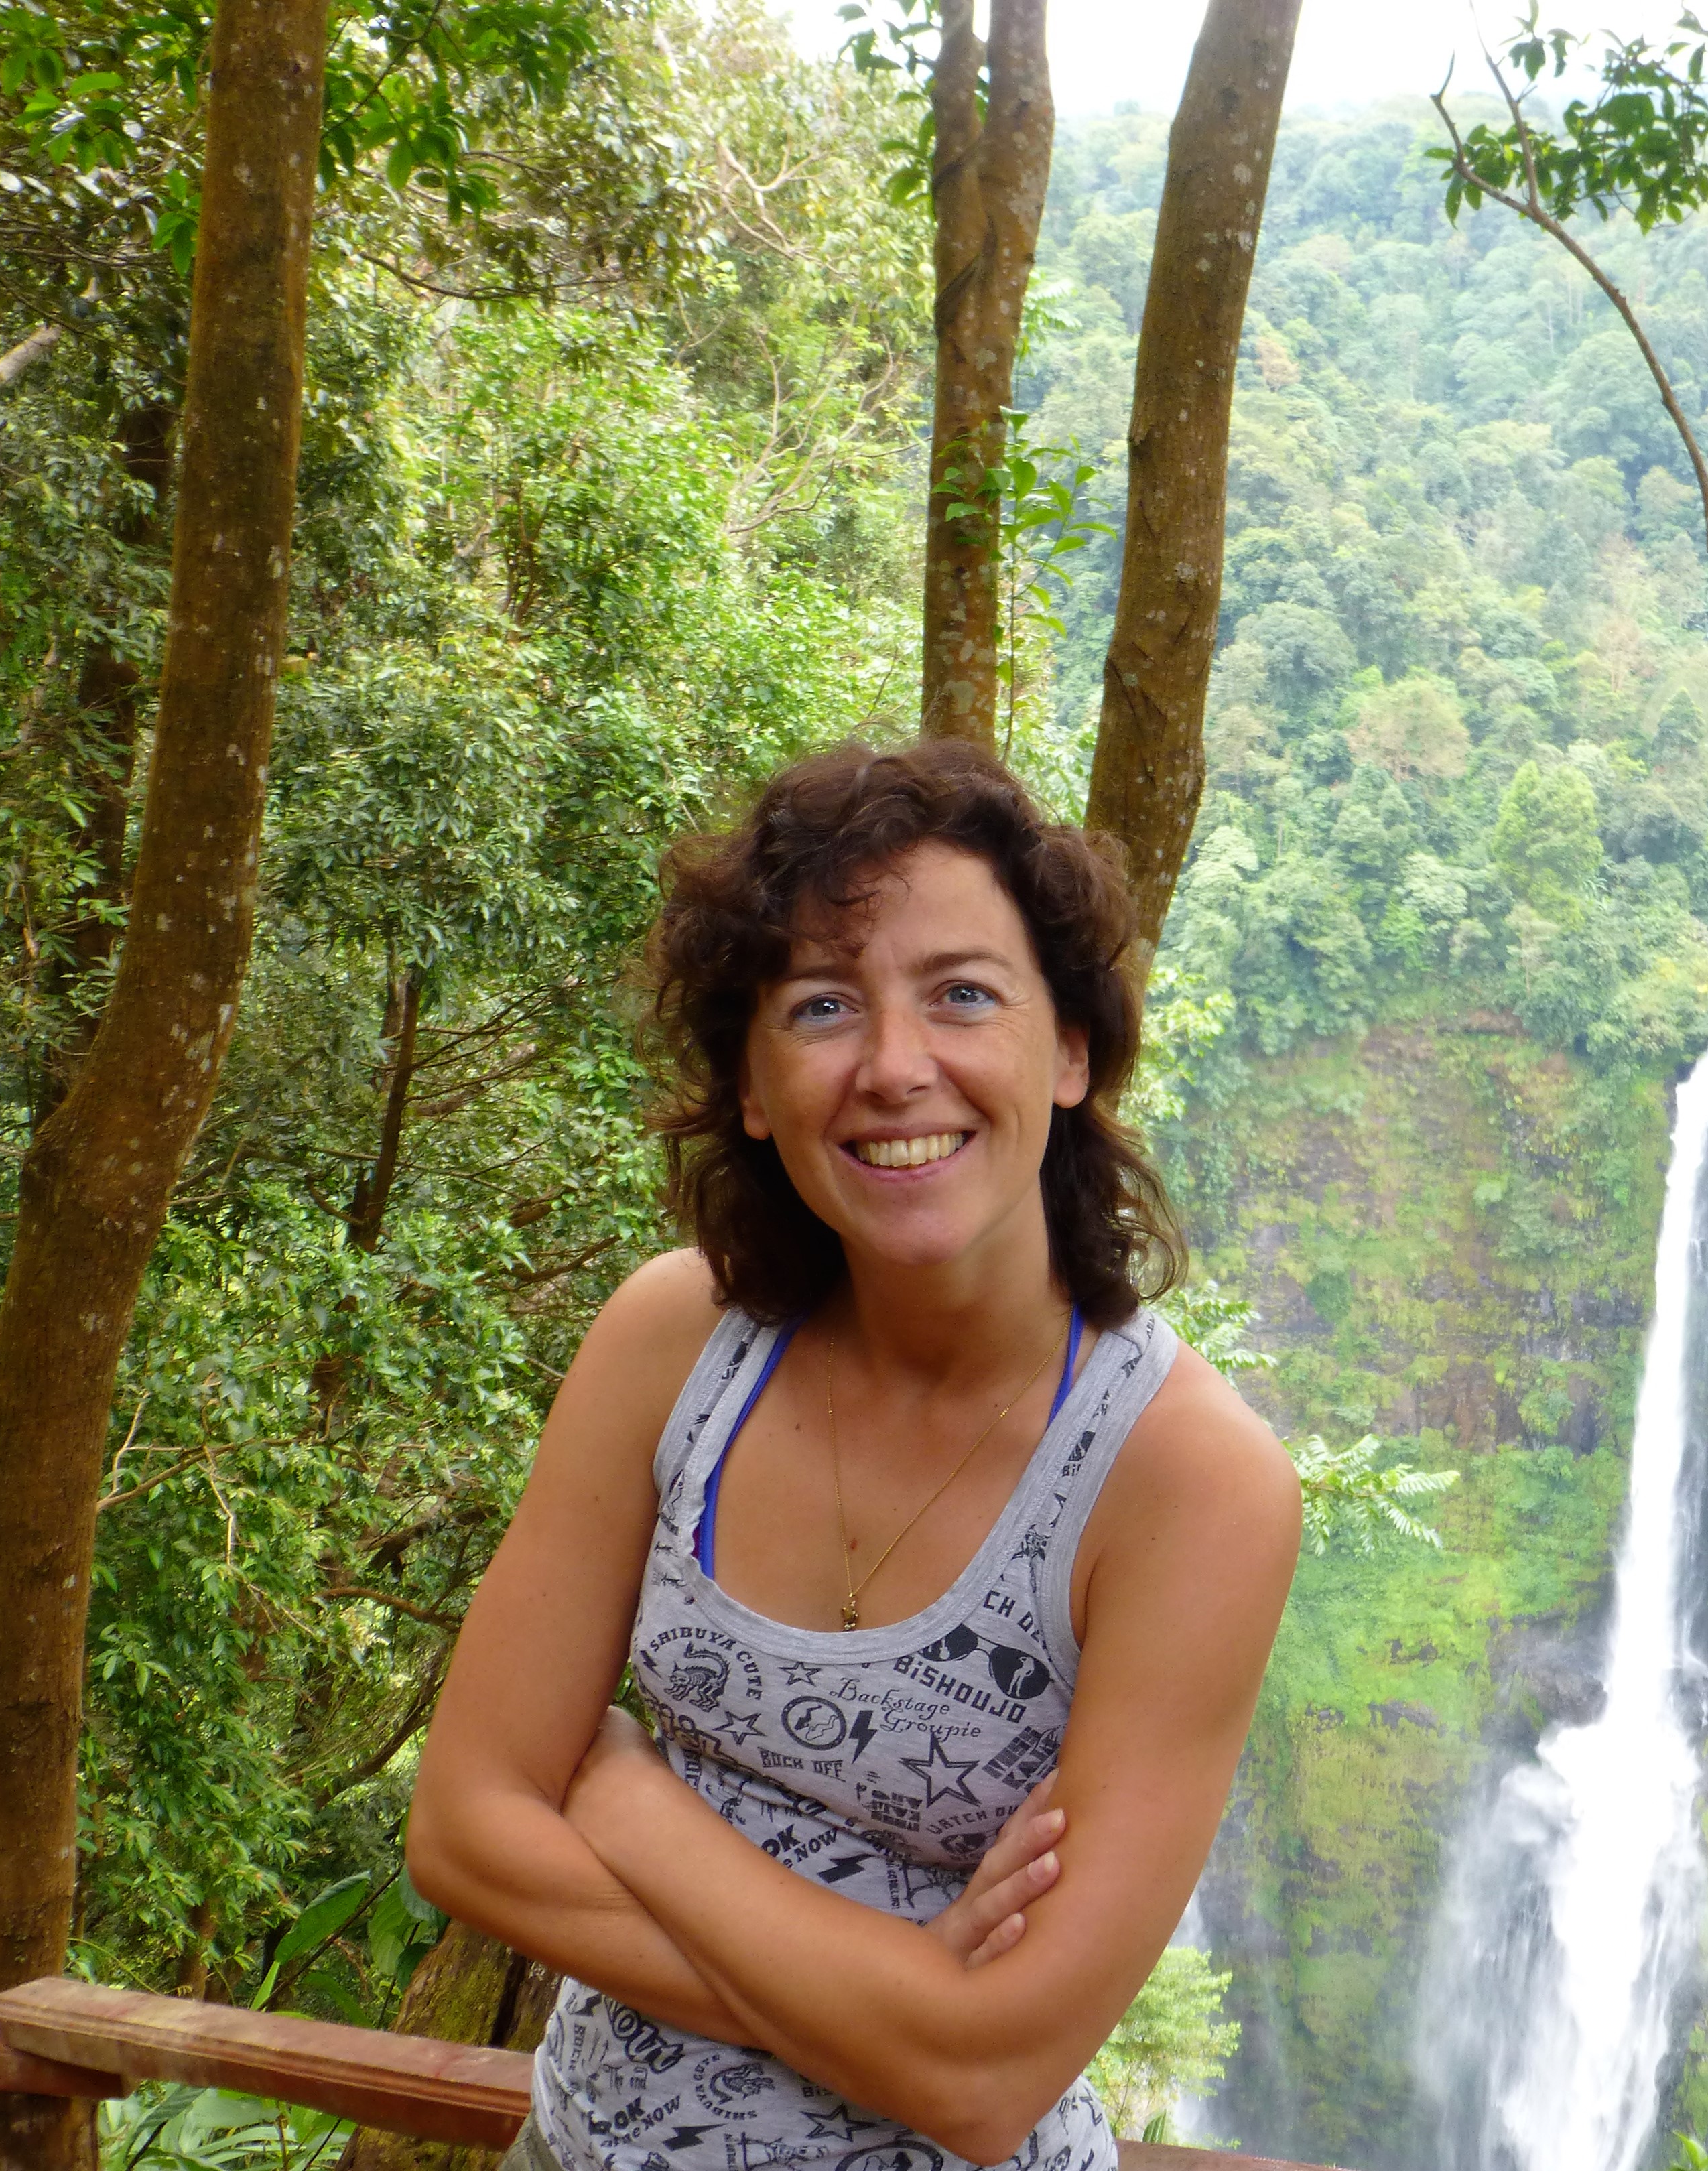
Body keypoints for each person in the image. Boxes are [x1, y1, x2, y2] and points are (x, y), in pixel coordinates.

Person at [407, 740, 1302, 2171]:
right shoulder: (673, 1346)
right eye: (821, 1007)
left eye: (962, 994)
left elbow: (987, 2076)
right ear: (753, 1088)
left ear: (1070, 1049)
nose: (894, 1068)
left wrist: (631, 1799)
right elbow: (463, 1828)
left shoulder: (1187, 1484)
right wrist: (899, 1994)